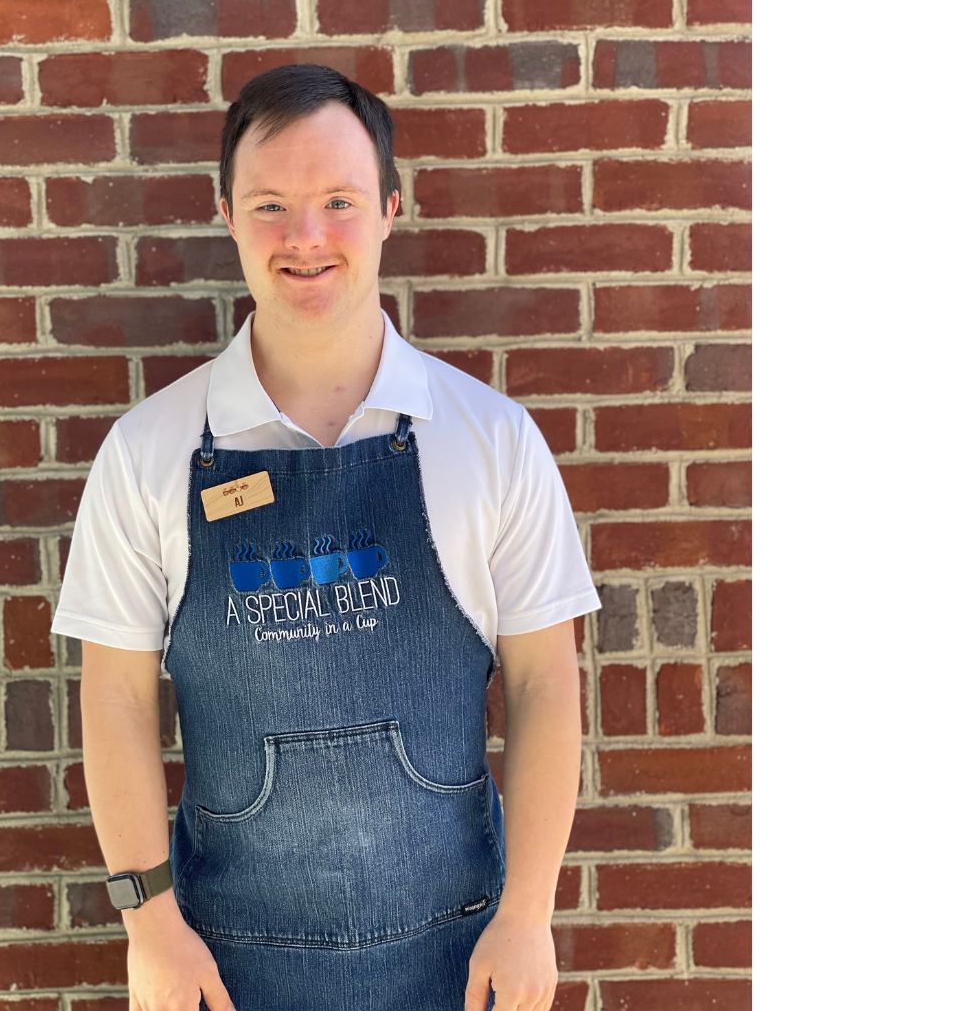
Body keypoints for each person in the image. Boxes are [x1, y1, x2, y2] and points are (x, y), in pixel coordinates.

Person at [52, 64, 600, 1011]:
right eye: (270, 205)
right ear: (226, 216)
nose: (305, 236)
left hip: (461, 959)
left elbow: (546, 684)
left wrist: (528, 916)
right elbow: (115, 699)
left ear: (390, 209)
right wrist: (151, 930)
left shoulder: (491, 440)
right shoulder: (147, 452)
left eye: (339, 202)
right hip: (223, 970)